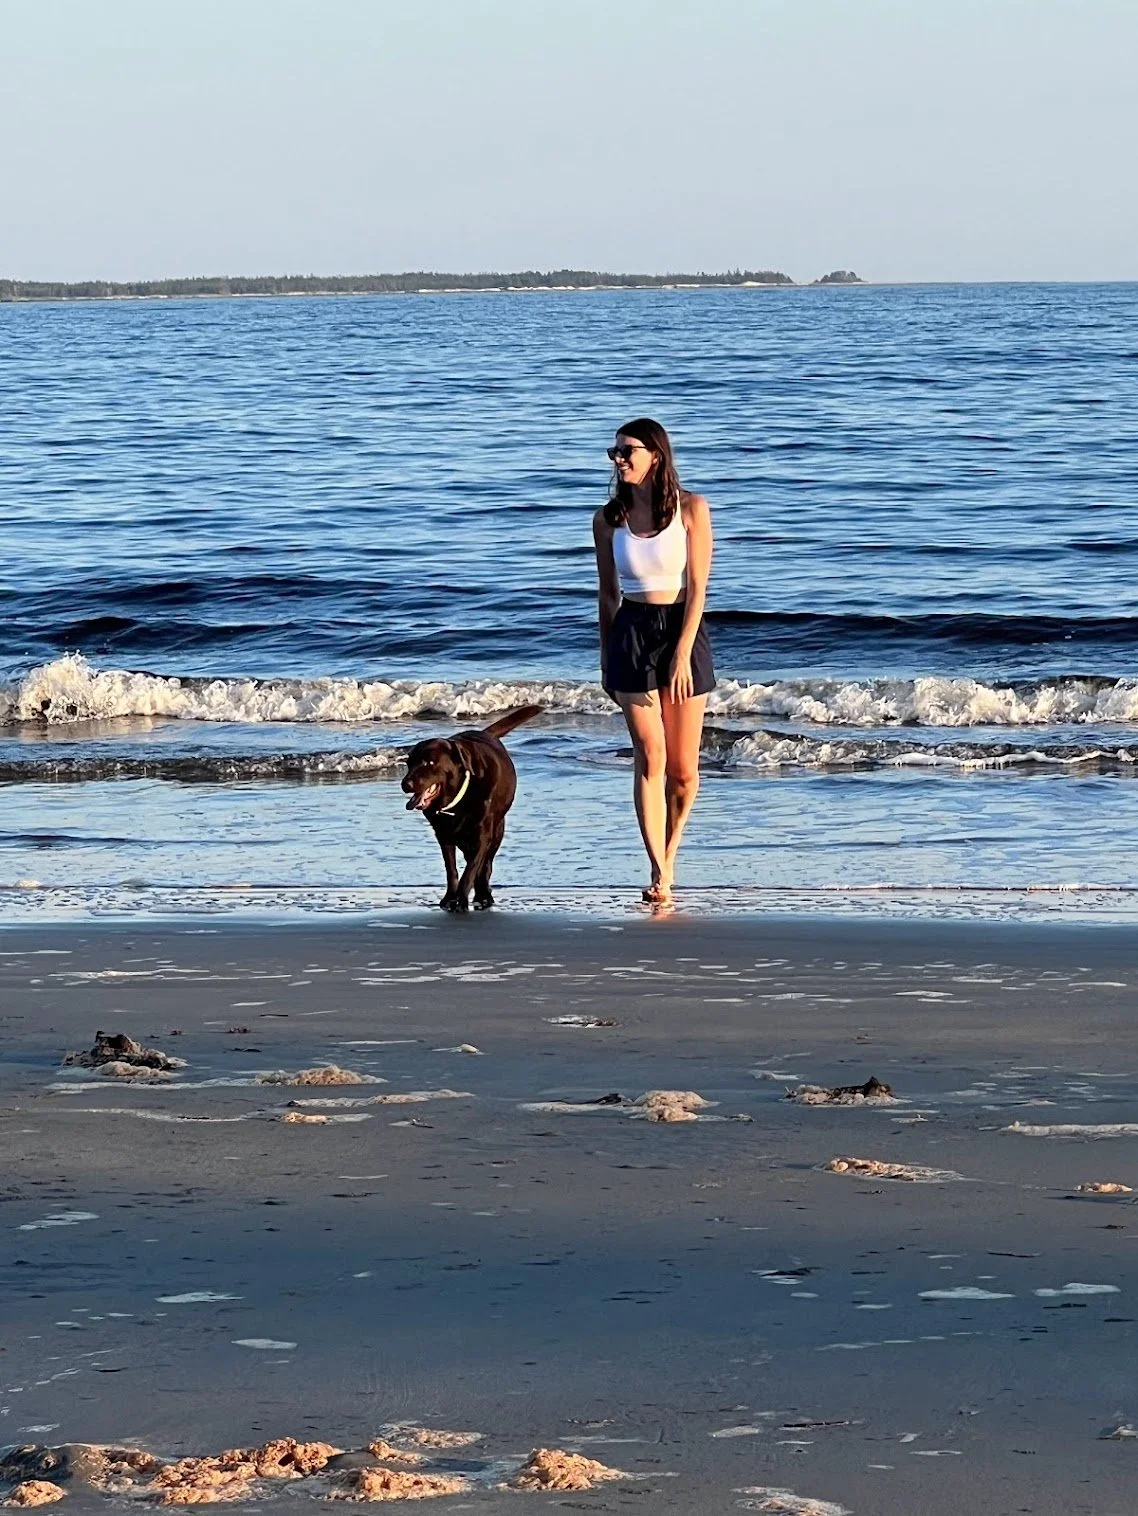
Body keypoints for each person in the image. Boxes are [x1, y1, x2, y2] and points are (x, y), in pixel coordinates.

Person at [592, 418, 715, 905]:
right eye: (615, 453)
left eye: (628, 451)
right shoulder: (608, 519)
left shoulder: (691, 509)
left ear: (656, 455)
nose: (619, 459)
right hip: (631, 633)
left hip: (681, 631)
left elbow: (700, 588)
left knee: (683, 770)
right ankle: (659, 871)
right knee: (651, 755)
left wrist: (683, 650)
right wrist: (607, 659)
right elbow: (607, 594)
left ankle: (672, 849)